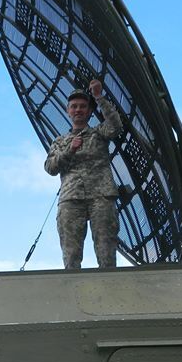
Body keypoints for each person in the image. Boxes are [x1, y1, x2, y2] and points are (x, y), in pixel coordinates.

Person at [44, 78, 123, 269]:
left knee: (106, 253)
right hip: (71, 199)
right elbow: (50, 168)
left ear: (88, 111)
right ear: (68, 111)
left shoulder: (98, 133)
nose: (78, 109)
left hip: (101, 197)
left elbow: (115, 126)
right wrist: (69, 150)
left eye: (82, 106)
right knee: (71, 256)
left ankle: (109, 291)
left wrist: (98, 97)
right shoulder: (60, 141)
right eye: (74, 106)